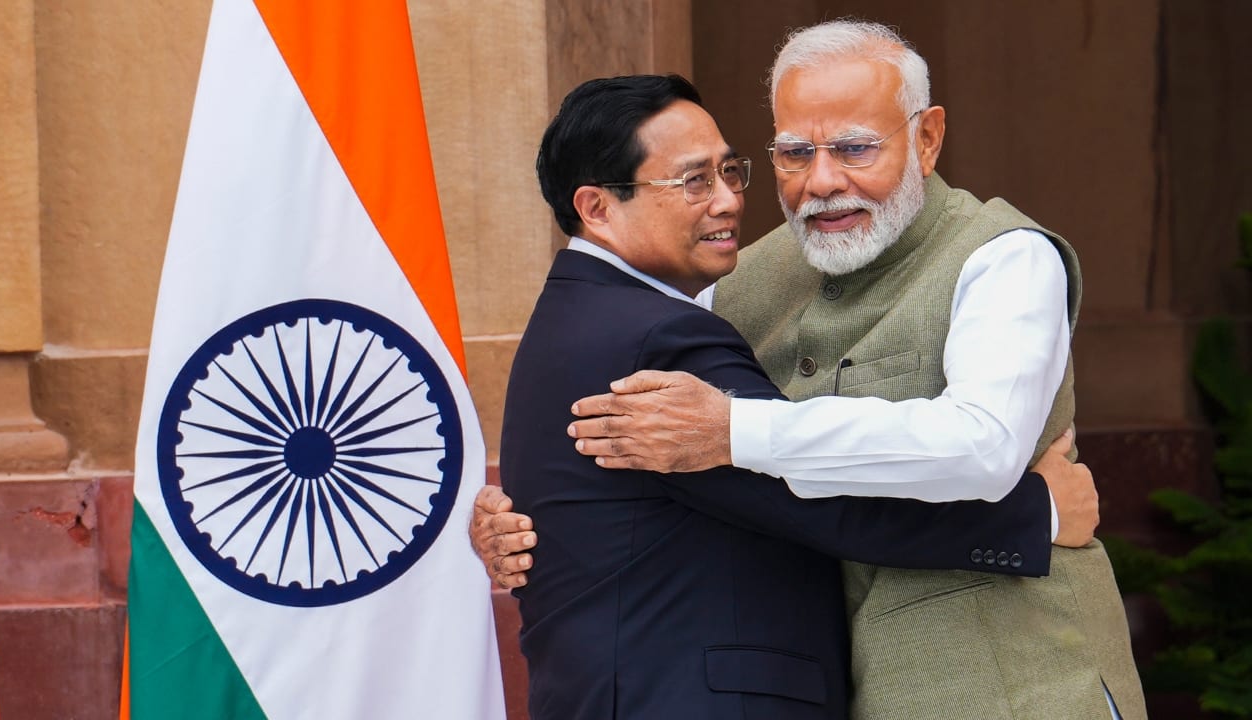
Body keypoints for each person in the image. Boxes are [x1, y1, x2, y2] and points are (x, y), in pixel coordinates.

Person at [475, 20, 1146, 720]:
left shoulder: (1002, 259)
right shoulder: (731, 283)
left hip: (1015, 678)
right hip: (861, 689)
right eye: (795, 153)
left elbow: (981, 446)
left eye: (856, 147)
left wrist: (735, 430)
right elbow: (612, 414)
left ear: (926, 137)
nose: (823, 181)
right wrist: (517, 518)